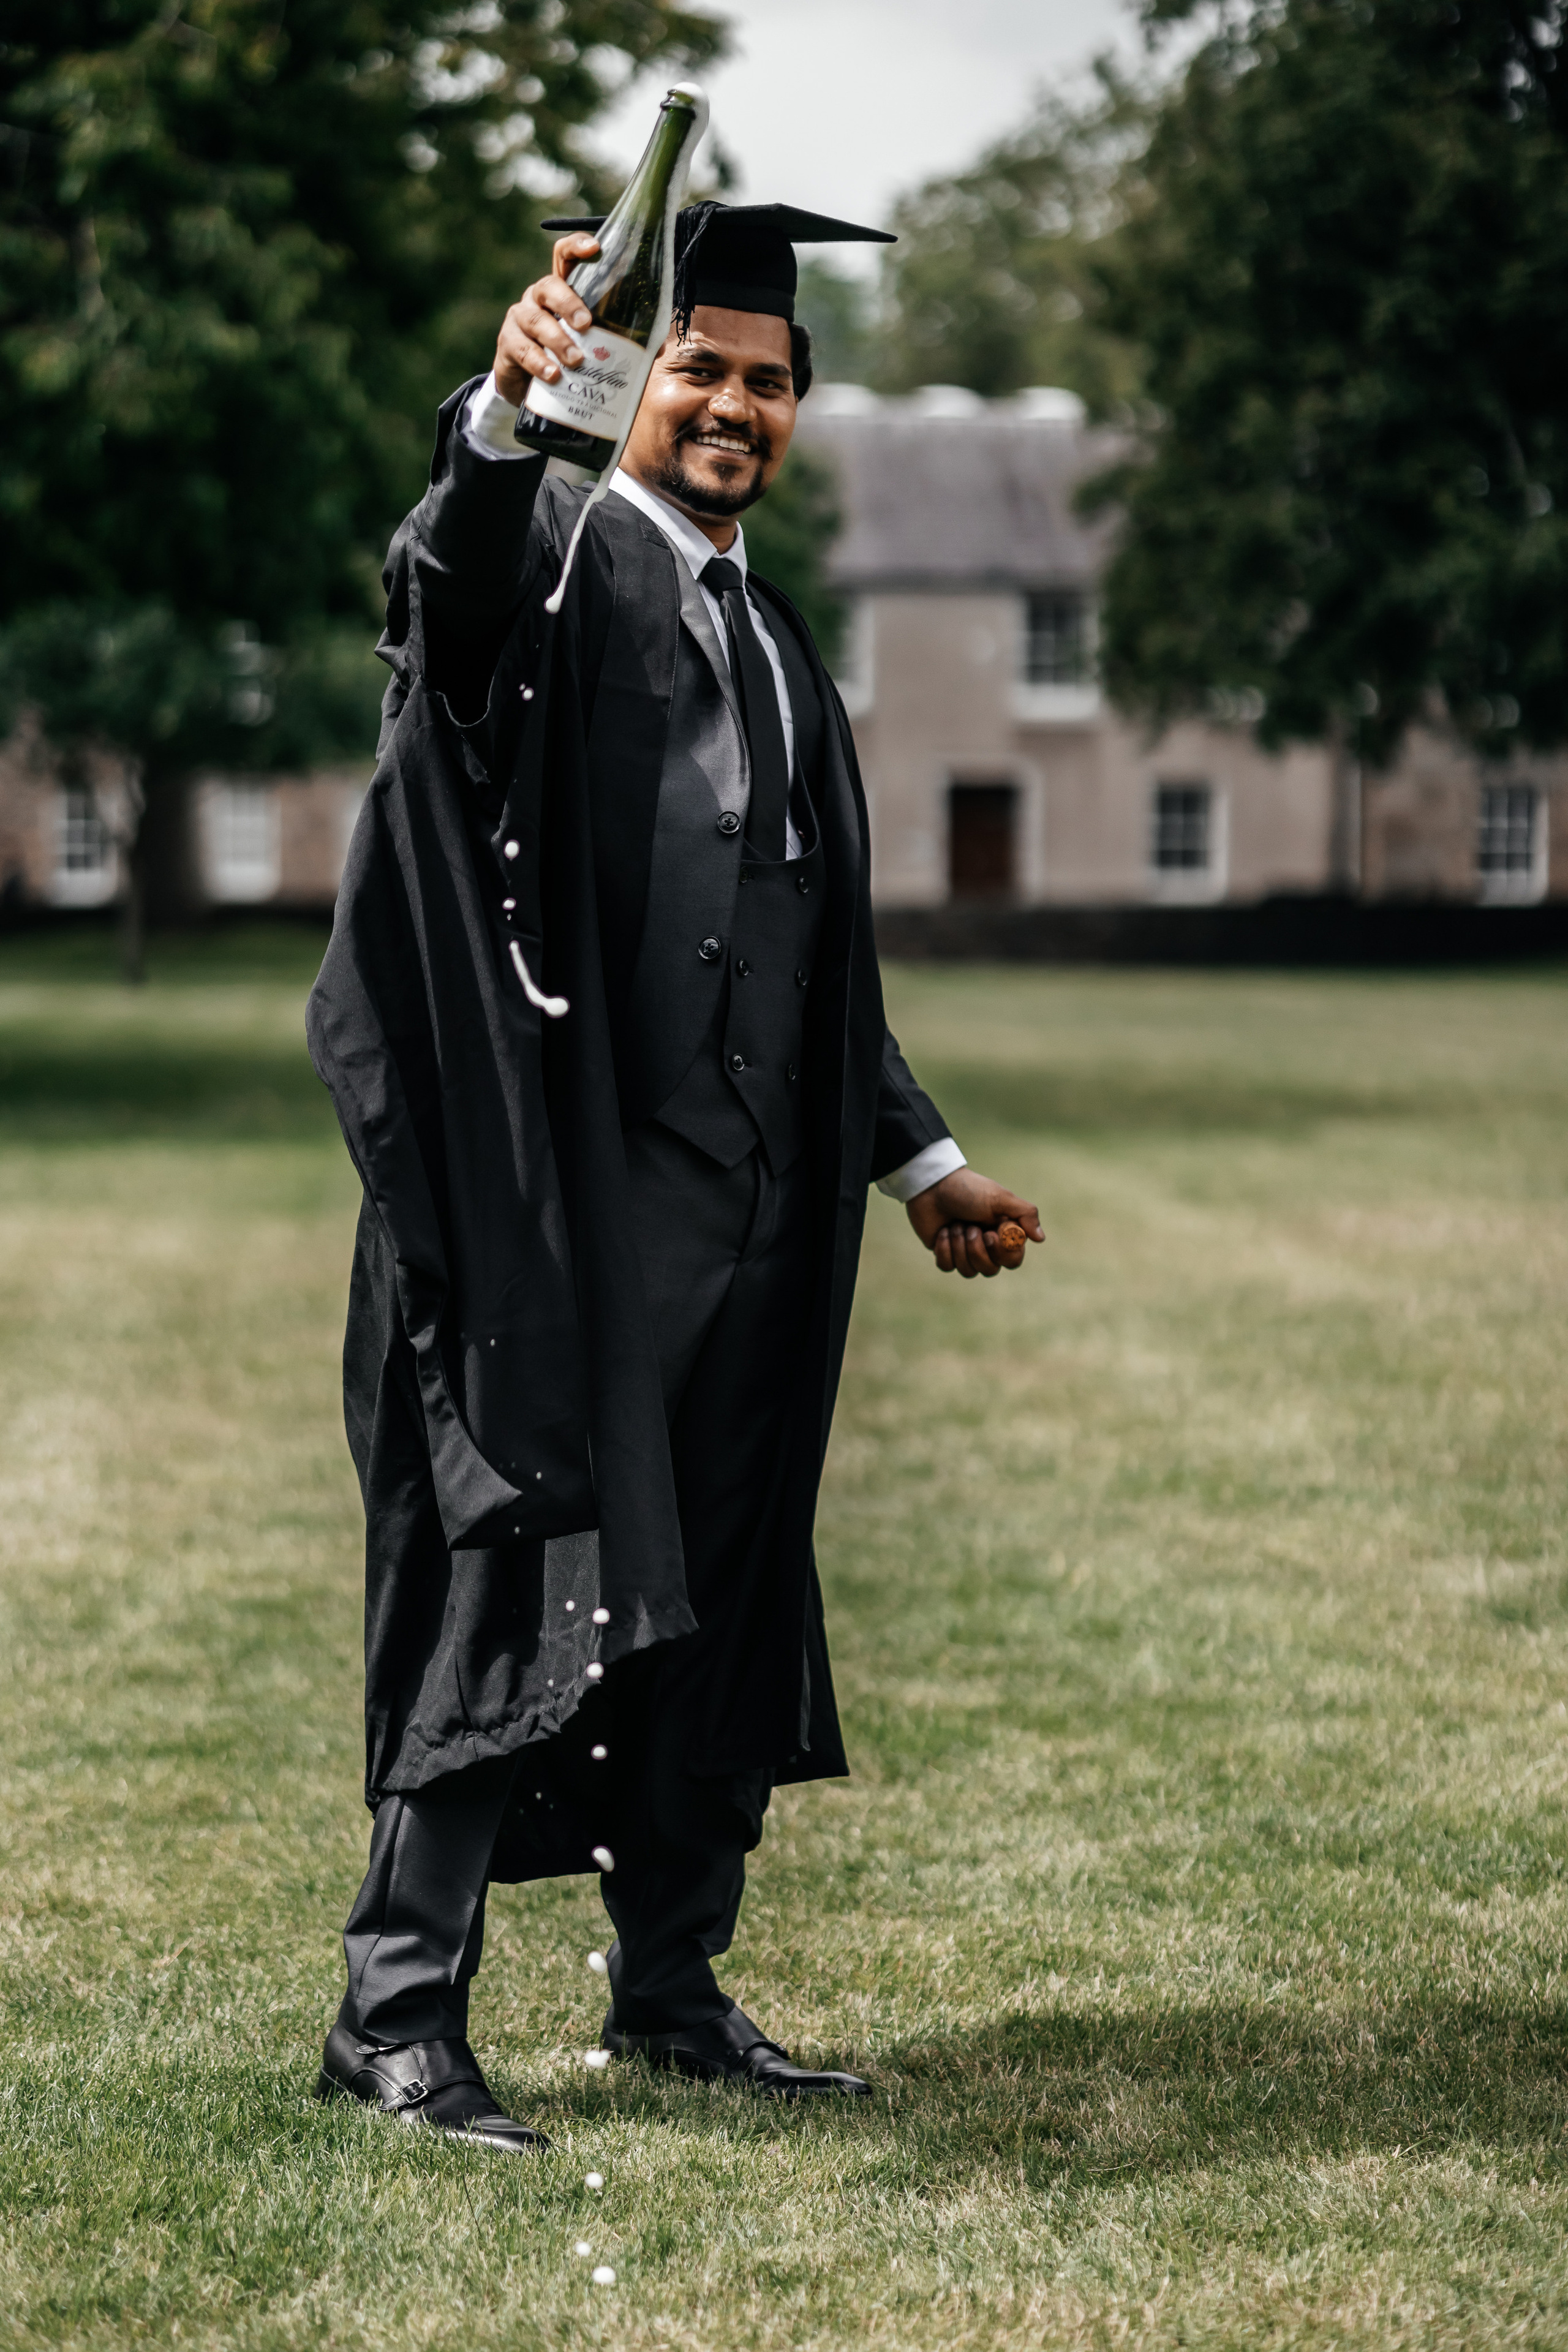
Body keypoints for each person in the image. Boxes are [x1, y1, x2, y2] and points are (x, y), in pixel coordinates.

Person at [306, 201, 1043, 2153]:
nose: (735, 403)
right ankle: (393, 2017)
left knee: (710, 1597)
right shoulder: (548, 572)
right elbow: (439, 595)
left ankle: (672, 1994)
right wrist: (498, 410)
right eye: (702, 365)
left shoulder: (776, 638)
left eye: (771, 379)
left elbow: (805, 955)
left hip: (753, 1221)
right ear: (639, 376)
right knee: (516, 1577)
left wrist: (923, 1160)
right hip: (564, 1220)